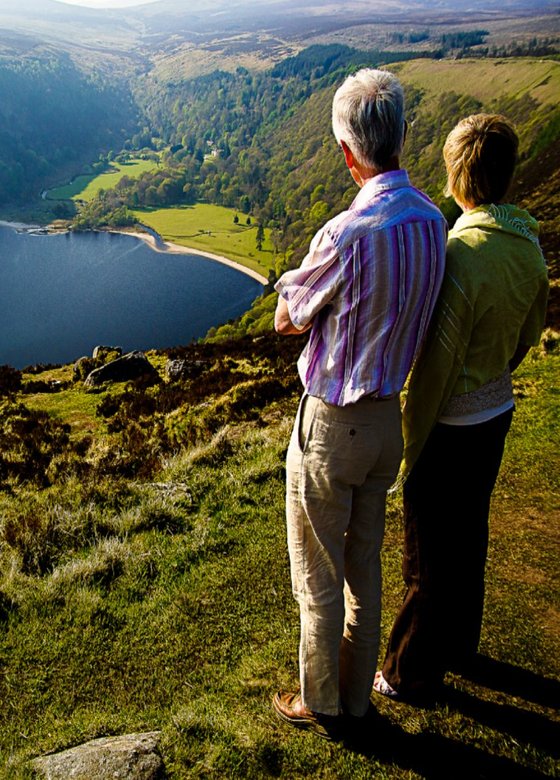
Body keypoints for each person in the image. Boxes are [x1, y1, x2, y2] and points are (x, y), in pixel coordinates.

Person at [271, 67, 447, 738]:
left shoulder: (347, 234)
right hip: (386, 425)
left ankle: (321, 705)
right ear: (401, 136)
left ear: (347, 152)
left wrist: (291, 296)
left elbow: (292, 313)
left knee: (315, 576)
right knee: (364, 569)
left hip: (333, 425)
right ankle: (358, 697)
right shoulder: (433, 221)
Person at [374, 113, 549, 702]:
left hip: (450, 424)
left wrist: (409, 437)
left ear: (454, 177)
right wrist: (495, 373)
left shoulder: (459, 254)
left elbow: (435, 370)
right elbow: (529, 334)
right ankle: (459, 645)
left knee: (426, 554)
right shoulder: (528, 245)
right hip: (496, 413)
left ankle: (407, 671)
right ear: (508, 174)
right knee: (470, 534)